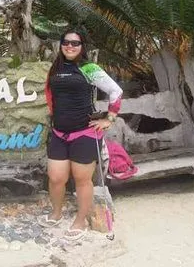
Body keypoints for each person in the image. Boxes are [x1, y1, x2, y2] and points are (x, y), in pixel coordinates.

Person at [39, 28, 122, 241]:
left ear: (82, 46)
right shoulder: (55, 68)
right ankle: (56, 213)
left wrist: (109, 119)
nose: (70, 46)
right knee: (56, 178)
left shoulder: (88, 68)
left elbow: (116, 91)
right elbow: (50, 96)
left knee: (82, 180)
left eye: (75, 43)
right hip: (59, 132)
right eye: (66, 42)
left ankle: (80, 221)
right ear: (61, 44)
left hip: (84, 133)